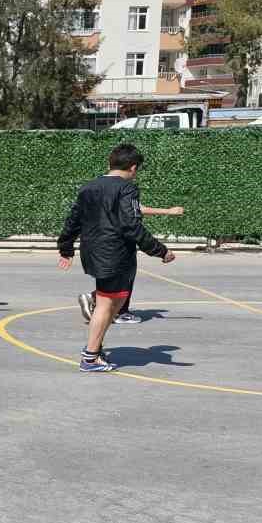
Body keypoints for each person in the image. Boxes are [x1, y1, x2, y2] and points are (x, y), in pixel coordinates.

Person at [58, 143, 176, 373]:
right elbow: (131, 224)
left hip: (93, 252)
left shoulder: (88, 187)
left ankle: (94, 339)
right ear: (133, 168)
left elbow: (73, 220)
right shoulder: (127, 189)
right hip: (114, 253)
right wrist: (160, 250)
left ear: (108, 164)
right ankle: (90, 357)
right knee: (108, 304)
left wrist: (66, 248)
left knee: (116, 300)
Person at [79, 204, 185, 325]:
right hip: (117, 242)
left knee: (116, 277)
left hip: (100, 240)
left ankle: (96, 299)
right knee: (125, 276)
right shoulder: (122, 190)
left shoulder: (102, 192)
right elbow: (136, 210)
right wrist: (168, 211)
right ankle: (117, 311)